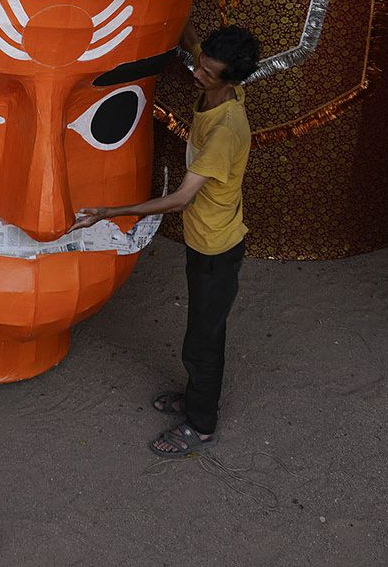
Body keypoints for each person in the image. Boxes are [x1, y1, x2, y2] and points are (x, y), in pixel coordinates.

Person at [71, 25, 259, 457]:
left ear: (230, 80)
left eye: (208, 73)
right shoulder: (212, 73)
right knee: (199, 334)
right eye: (200, 64)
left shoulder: (226, 129)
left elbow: (178, 201)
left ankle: (200, 423)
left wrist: (109, 212)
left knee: (203, 340)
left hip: (216, 249)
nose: (196, 73)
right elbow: (193, 41)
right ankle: (196, 396)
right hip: (204, 241)